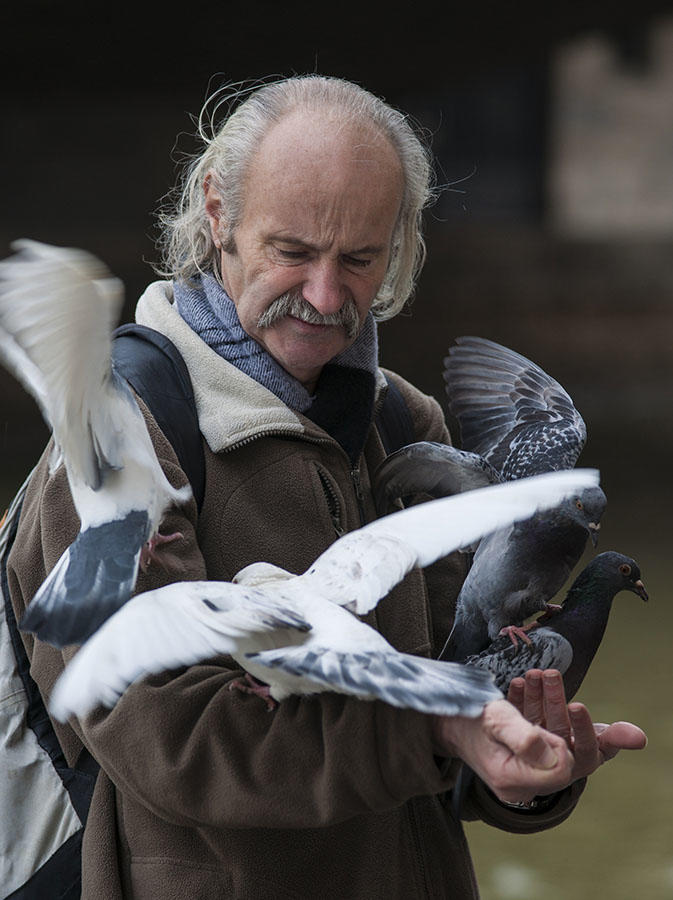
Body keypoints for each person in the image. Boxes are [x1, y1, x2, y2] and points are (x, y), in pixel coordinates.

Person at [7, 75, 646, 899]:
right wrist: (436, 732)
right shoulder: (125, 436)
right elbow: (171, 744)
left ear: (401, 241)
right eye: (293, 251)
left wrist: (522, 765)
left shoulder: (404, 429)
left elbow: (463, 693)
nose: (324, 295)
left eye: (358, 259)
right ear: (217, 213)